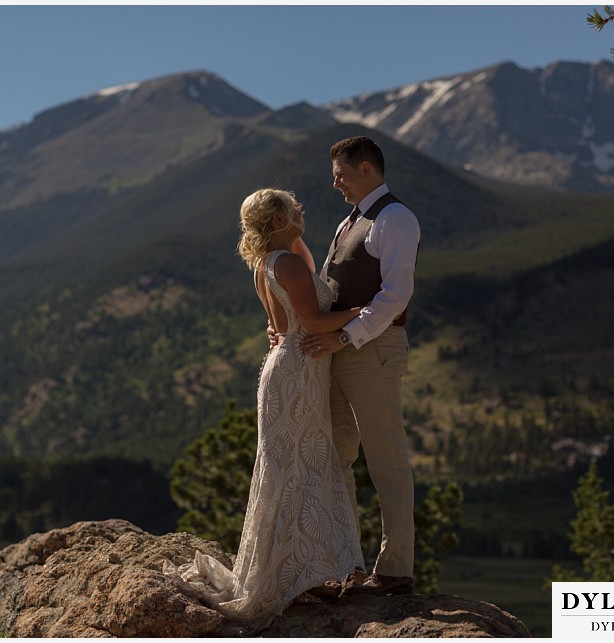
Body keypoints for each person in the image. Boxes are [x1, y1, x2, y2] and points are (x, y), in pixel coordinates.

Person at [164, 188, 364, 628]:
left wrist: (290, 231)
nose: (302, 211)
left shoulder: (269, 263)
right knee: (297, 469)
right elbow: (312, 323)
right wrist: (366, 311)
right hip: (298, 370)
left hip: (288, 368)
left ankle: (301, 570)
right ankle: (298, 572)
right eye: (294, 209)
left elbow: (283, 317)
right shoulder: (287, 263)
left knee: (291, 468)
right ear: (276, 221)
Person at [300, 136, 421, 596]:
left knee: (386, 458)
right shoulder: (347, 223)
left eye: (342, 175)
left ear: (367, 169)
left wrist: (345, 337)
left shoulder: (395, 218)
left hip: (372, 349)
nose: (335, 183)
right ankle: (345, 563)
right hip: (338, 349)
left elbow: (395, 295)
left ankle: (394, 572)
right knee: (336, 458)